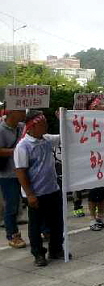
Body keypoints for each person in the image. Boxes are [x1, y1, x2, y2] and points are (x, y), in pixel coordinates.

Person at [14, 110, 67, 266]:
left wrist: (63, 120)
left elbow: (64, 136)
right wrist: (30, 194)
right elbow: (20, 172)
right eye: (43, 124)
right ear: (32, 126)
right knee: (36, 226)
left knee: (57, 223)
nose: (46, 126)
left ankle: (56, 249)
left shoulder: (47, 139)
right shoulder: (23, 146)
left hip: (52, 190)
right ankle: (38, 254)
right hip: (36, 193)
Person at [85, 98, 104, 231]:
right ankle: (92, 218)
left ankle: (101, 216)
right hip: (93, 161)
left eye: (102, 105)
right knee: (94, 191)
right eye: (97, 105)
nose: (101, 107)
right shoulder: (86, 122)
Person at [0, 109, 26, 249]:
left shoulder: (22, 127)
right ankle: (13, 235)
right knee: (12, 205)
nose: (23, 113)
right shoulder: (1, 129)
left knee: (35, 200)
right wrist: (17, 150)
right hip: (8, 174)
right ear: (11, 113)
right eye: (20, 110)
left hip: (25, 171)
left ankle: (44, 229)